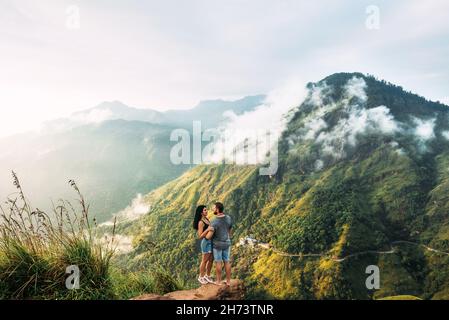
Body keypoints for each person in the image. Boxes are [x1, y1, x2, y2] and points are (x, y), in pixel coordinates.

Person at [209, 202, 232, 286]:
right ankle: (228, 281)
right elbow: (229, 230)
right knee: (227, 261)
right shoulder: (228, 218)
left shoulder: (214, 221)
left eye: (214, 208)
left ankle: (218, 281)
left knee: (218, 262)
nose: (212, 209)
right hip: (227, 243)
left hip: (217, 245)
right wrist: (227, 237)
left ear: (217, 209)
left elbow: (210, 235)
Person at [193, 205, 214, 284]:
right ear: (201, 213)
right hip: (206, 242)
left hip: (211, 241)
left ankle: (207, 276)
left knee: (211, 259)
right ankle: (201, 277)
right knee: (204, 260)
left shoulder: (206, 219)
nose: (207, 211)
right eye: (205, 210)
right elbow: (200, 236)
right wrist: (208, 229)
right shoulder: (201, 222)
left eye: (206, 210)